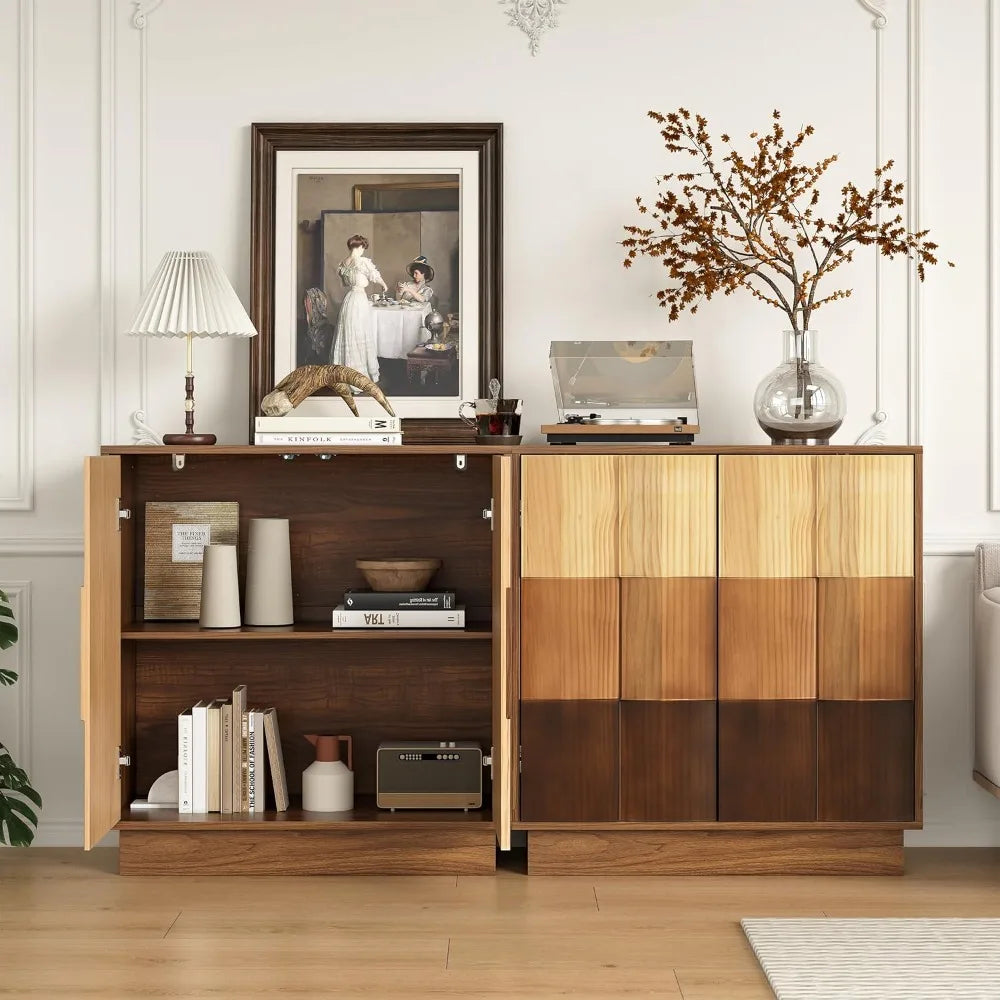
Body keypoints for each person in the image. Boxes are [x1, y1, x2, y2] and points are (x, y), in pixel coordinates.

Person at [331, 234, 388, 382]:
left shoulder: (343, 264)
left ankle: (345, 373)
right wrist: (384, 285)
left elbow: (345, 283)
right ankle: (358, 375)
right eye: (363, 247)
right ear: (359, 247)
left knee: (350, 333)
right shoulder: (362, 262)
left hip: (349, 299)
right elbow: (374, 276)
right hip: (358, 300)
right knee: (359, 333)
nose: (363, 250)